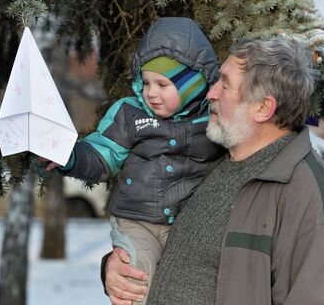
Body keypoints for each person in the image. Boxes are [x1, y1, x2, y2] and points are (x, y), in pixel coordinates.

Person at [103, 38, 324, 305]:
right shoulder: (209, 163)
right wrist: (115, 269)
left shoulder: (308, 195)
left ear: (263, 108)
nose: (210, 93)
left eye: (225, 85)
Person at [45, 17, 224, 304]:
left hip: (188, 226)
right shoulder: (130, 114)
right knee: (137, 281)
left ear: (193, 84)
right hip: (137, 221)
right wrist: (71, 156)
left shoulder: (214, 120)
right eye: (147, 82)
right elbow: (104, 154)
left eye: (163, 84)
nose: (151, 93)